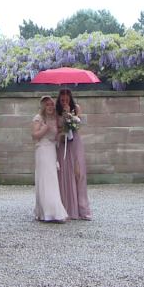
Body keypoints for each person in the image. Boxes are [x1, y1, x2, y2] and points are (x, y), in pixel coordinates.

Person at [56, 88, 91, 220]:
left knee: (78, 172)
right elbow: (56, 128)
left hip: (75, 143)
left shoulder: (76, 108)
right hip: (64, 143)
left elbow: (78, 123)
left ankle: (82, 208)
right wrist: (63, 122)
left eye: (67, 99)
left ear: (70, 100)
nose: (64, 101)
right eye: (62, 100)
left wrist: (69, 117)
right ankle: (67, 207)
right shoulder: (57, 112)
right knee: (65, 174)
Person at [31, 96, 67, 222]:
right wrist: (45, 128)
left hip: (51, 149)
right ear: (43, 106)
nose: (50, 107)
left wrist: (61, 133)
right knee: (46, 179)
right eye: (47, 105)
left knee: (52, 179)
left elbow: (55, 137)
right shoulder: (38, 118)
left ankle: (51, 210)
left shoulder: (54, 119)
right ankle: (49, 211)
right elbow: (34, 135)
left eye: (52, 104)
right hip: (42, 149)